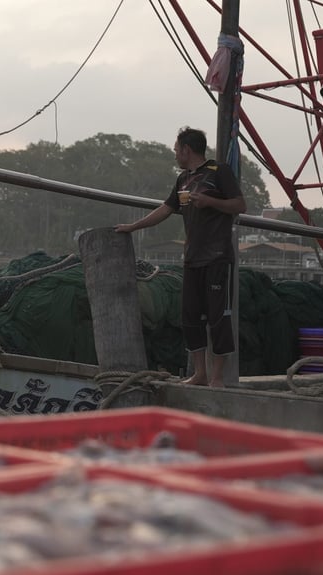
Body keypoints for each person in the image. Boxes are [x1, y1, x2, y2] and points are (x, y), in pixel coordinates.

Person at [115, 127, 246, 387]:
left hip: (218, 257)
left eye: (176, 149)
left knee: (219, 318)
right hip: (192, 258)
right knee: (190, 317)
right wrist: (133, 227)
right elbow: (166, 208)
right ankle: (200, 373)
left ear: (187, 149)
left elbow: (239, 206)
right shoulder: (183, 180)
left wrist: (211, 202)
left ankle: (217, 377)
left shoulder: (219, 172)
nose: (175, 154)